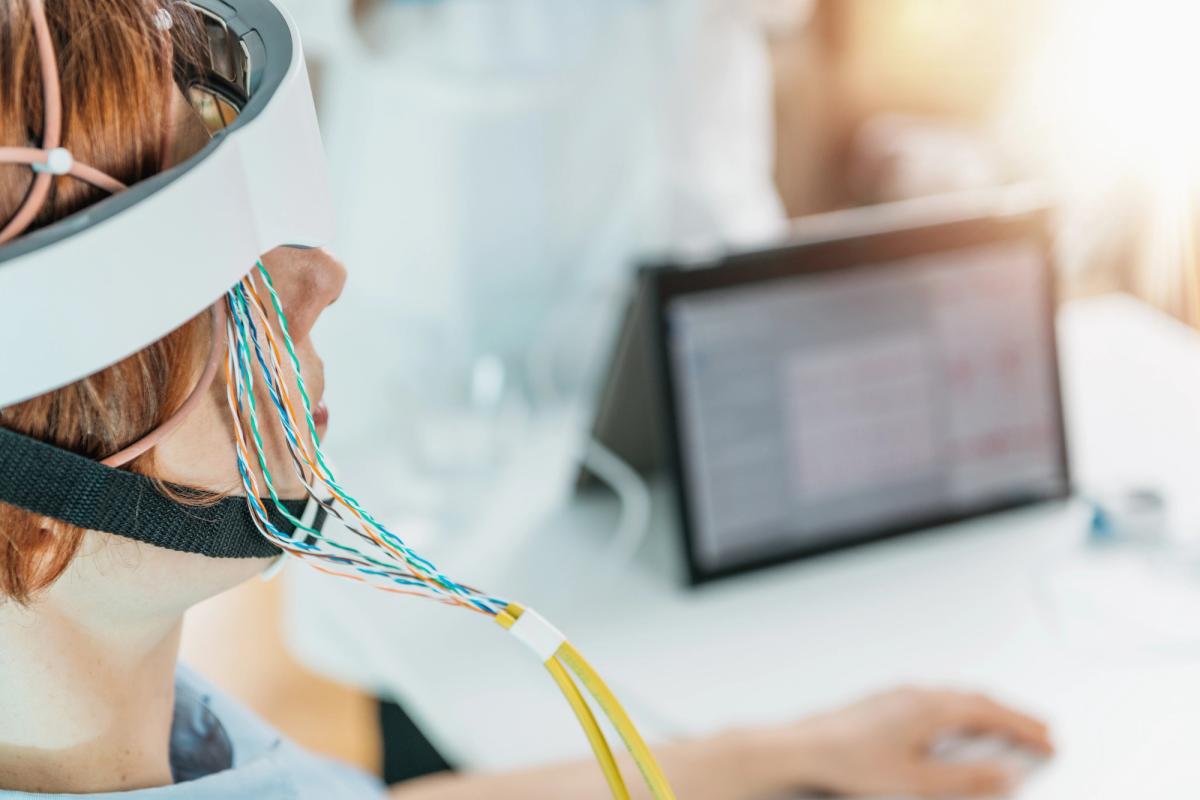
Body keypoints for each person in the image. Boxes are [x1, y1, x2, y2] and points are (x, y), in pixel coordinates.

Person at [0, 1, 1052, 798]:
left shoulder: (139, 729)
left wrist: (788, 755)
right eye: (200, 273)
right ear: (32, 501)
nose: (322, 280)